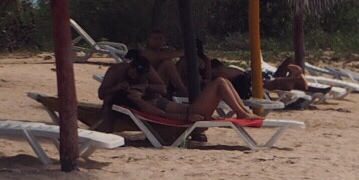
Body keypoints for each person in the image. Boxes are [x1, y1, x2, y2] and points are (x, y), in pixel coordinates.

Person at [100, 47, 259, 123]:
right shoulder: (118, 76)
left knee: (221, 82)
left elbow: (161, 88)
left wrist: (144, 88)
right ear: (128, 66)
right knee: (219, 82)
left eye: (139, 73)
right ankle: (242, 113)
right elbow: (102, 95)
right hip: (187, 112)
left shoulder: (144, 70)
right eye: (134, 73)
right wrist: (186, 117)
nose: (136, 75)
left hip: (170, 105)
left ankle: (243, 111)